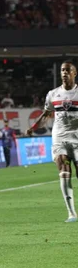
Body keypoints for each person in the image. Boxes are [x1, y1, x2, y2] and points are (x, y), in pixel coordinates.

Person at [27, 61, 78, 222]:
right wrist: (34, 127)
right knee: (64, 169)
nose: (64, 73)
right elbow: (46, 114)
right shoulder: (53, 94)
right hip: (60, 137)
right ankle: (71, 213)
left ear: (74, 73)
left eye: (68, 70)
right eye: (62, 70)